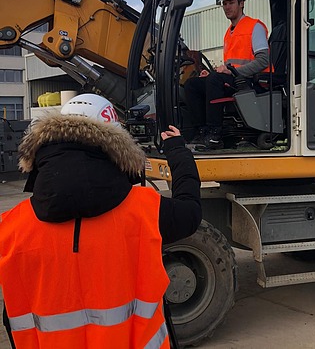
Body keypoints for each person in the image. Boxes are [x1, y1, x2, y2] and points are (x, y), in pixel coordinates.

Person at [0, 93, 201, 349]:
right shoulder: (145, 211)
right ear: (116, 146)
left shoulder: (12, 227)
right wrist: (177, 152)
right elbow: (190, 212)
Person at [184, 0, 271, 149]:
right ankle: (200, 131)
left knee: (215, 80)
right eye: (224, 3)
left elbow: (263, 61)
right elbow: (229, 65)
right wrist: (215, 73)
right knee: (192, 84)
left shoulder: (255, 27)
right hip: (235, 80)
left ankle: (214, 133)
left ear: (242, 3)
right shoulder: (229, 32)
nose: (227, 7)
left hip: (252, 81)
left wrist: (233, 72)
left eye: (231, 2)